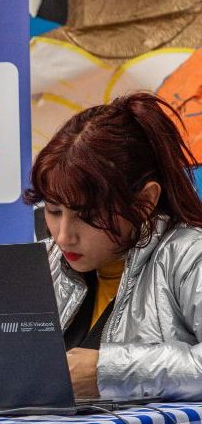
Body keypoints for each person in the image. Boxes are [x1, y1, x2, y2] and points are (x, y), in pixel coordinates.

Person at [23, 91, 202, 400]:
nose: (64, 236)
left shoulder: (189, 253)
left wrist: (108, 372)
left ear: (145, 201)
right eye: (53, 211)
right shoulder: (46, 257)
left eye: (88, 216)